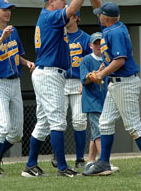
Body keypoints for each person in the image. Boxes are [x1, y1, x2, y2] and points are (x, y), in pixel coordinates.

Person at [21, 0, 99, 178]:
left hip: (49, 73)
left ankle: (30, 165)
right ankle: (62, 168)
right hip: (48, 74)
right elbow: (72, 9)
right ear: (51, 2)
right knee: (57, 122)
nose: (64, 1)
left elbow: (74, 11)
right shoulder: (49, 16)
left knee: (45, 122)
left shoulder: (51, 17)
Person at [83, 0, 141, 176]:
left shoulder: (116, 31)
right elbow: (98, 7)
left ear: (106, 18)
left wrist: (100, 73)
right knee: (105, 121)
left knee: (133, 125)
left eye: (101, 14)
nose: (98, 15)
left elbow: (120, 60)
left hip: (124, 83)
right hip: (116, 84)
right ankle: (104, 163)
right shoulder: (113, 26)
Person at [0, 0, 35, 177]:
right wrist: (2, 37)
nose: (8, 12)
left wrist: (27, 62)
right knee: (2, 126)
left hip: (15, 83)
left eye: (9, 9)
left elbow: (15, 55)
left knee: (16, 134)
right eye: (4, 9)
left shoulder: (14, 31)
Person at [50, 9, 91, 169]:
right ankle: (57, 156)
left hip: (79, 82)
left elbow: (89, 62)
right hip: (60, 80)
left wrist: (85, 79)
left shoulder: (85, 38)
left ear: (76, 18)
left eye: (69, 16)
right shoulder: (58, 35)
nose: (66, 19)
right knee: (57, 121)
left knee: (79, 121)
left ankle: (80, 158)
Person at [80, 32, 118, 173]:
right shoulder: (87, 60)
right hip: (92, 101)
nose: (98, 46)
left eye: (100, 43)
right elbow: (84, 80)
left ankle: (90, 161)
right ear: (90, 45)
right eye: (95, 43)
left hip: (104, 100)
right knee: (99, 132)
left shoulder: (108, 60)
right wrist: (96, 73)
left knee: (96, 132)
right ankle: (104, 161)